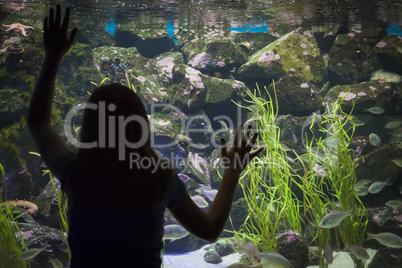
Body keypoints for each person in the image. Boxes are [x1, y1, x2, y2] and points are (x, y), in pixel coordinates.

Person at [27, 5, 263, 267]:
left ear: (89, 129)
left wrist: (53, 56)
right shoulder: (159, 179)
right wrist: (231, 172)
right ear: (140, 128)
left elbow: (38, 124)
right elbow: (209, 230)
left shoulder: (77, 173)